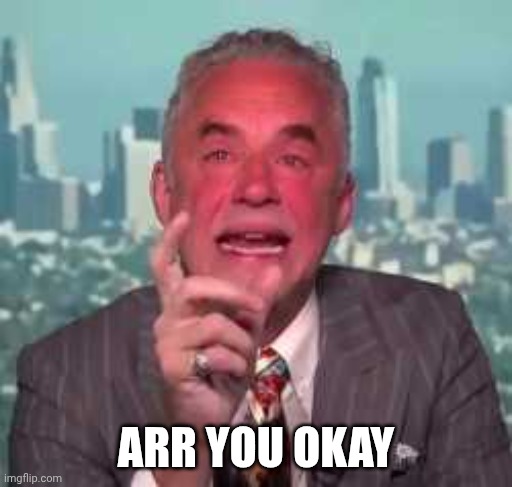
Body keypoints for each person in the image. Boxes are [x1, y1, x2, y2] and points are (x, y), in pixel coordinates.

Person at [9, 28, 512, 487]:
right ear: (164, 194)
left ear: (342, 203)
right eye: (220, 155)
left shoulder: (434, 339)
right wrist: (181, 452)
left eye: (292, 159)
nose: (255, 189)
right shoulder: (63, 377)